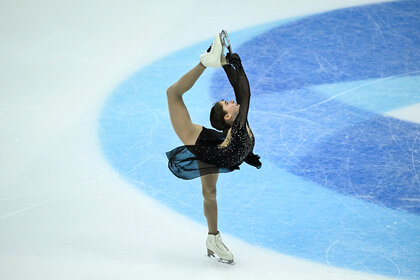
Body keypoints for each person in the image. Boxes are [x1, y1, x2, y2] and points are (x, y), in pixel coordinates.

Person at [165, 31, 261, 264]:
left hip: (218, 148)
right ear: (228, 116)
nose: (231, 100)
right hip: (200, 143)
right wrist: (231, 63)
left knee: (210, 193)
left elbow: (240, 93)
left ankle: (212, 238)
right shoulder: (238, 126)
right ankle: (204, 62)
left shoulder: (237, 127)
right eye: (227, 103)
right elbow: (245, 93)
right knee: (172, 93)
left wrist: (229, 62)